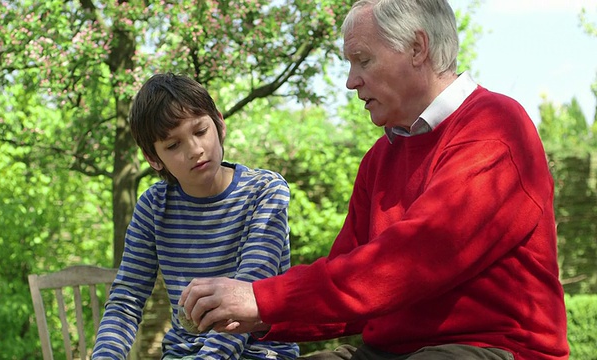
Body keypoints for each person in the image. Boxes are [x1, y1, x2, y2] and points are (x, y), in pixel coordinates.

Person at [179, 0, 570, 359]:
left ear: (417, 48)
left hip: (496, 347)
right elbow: (350, 277)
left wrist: (263, 299)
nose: (351, 81)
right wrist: (263, 318)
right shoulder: (380, 158)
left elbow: (413, 258)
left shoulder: (495, 128)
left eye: (362, 60)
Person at [91, 72, 300, 360]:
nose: (195, 150)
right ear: (154, 159)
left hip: (262, 353)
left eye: (200, 131)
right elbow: (126, 301)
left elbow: (245, 297)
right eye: (173, 146)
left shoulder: (265, 191)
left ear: (219, 124)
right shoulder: (153, 207)